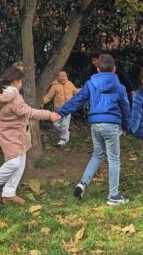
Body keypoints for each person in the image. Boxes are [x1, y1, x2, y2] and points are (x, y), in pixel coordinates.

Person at [0, 65, 60, 204]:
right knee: (13, 162)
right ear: (16, 82)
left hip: (17, 133)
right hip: (12, 135)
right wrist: (50, 115)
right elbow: (30, 113)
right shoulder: (15, 99)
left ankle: (9, 193)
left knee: (21, 163)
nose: (22, 84)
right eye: (21, 81)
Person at [56, 53, 131, 206]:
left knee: (97, 155)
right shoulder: (120, 87)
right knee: (114, 159)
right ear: (114, 69)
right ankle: (113, 195)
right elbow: (125, 107)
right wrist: (126, 127)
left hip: (95, 125)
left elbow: (77, 100)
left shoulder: (90, 84)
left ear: (97, 69)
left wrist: (60, 112)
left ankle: (83, 183)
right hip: (111, 124)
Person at [43, 71, 78, 145]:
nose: (62, 78)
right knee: (55, 125)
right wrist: (42, 102)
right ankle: (65, 134)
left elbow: (75, 91)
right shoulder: (55, 86)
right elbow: (49, 96)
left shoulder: (70, 84)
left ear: (67, 77)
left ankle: (63, 139)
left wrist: (81, 91)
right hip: (58, 109)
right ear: (57, 77)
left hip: (68, 108)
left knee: (65, 124)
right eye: (60, 76)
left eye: (64, 76)